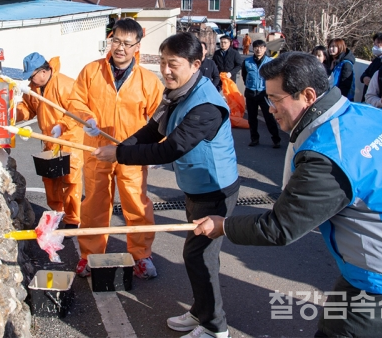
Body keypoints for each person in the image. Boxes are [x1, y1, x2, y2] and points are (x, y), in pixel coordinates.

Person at [194, 52, 382, 338]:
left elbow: (281, 227)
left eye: (276, 99)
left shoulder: (327, 151)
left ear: (307, 95)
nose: (269, 108)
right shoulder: (372, 116)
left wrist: (223, 226)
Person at [94, 32, 239, 338]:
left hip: (216, 190)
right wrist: (123, 146)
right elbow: (152, 130)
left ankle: (215, 327)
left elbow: (170, 148)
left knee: (200, 256)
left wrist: (120, 154)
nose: (166, 70)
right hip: (197, 187)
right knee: (196, 255)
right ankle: (201, 312)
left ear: (196, 64)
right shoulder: (176, 93)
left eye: (173, 64)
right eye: (162, 62)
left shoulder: (206, 106)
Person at [62, 18, 164, 279]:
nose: (121, 48)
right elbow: (75, 101)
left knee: (137, 205)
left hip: (132, 153)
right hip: (96, 150)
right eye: (116, 40)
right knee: (94, 205)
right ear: (110, 39)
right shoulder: (91, 72)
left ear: (137, 46)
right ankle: (90, 255)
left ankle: (141, 255)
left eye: (127, 43)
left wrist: (154, 150)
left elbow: (160, 117)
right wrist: (87, 119)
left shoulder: (148, 81)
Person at [15, 53, 84, 229]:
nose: (30, 80)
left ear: (44, 72)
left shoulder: (65, 85)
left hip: (70, 140)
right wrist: (12, 116)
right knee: (50, 180)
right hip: (49, 140)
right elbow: (28, 108)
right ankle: (57, 213)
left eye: (32, 76)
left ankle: (73, 219)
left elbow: (78, 111)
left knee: (70, 181)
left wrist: (63, 125)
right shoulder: (35, 88)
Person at [242, 40, 281, 148]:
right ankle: (254, 139)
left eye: (261, 47)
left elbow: (274, 78)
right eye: (256, 47)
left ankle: (276, 139)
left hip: (264, 93)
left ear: (265, 48)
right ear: (253, 48)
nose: (258, 49)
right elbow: (244, 76)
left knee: (269, 117)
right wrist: (250, 85)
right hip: (251, 92)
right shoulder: (247, 62)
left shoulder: (270, 62)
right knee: (252, 118)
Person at [359, 32, 382, 102]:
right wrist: (364, 78)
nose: (375, 47)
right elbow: (365, 73)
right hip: (368, 96)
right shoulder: (378, 58)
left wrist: (372, 82)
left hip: (378, 99)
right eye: (374, 44)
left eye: (378, 44)